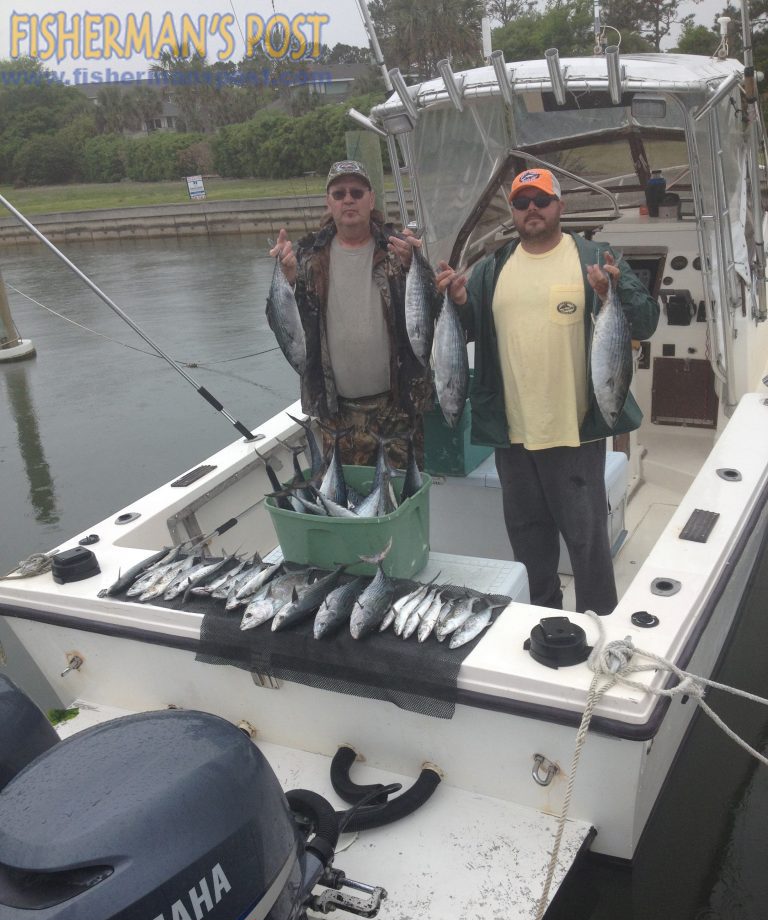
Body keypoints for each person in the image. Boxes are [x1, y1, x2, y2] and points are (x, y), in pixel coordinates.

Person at [436, 168, 659, 614]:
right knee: (528, 536)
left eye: (541, 200)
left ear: (561, 206)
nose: (531, 209)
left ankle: (598, 621)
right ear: (514, 213)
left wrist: (614, 289)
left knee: (587, 540)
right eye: (521, 203)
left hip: (573, 431)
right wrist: (458, 301)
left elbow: (647, 320)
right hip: (514, 434)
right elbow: (466, 330)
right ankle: (541, 615)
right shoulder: (494, 267)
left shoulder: (594, 256)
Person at [269, 159, 434, 469]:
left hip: (397, 409)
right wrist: (287, 278)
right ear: (328, 201)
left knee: (402, 501)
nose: (348, 199)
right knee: (348, 506)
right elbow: (283, 324)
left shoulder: (399, 251)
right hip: (337, 411)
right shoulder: (305, 256)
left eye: (357, 192)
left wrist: (417, 266)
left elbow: (431, 311)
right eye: (339, 192)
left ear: (371, 199)